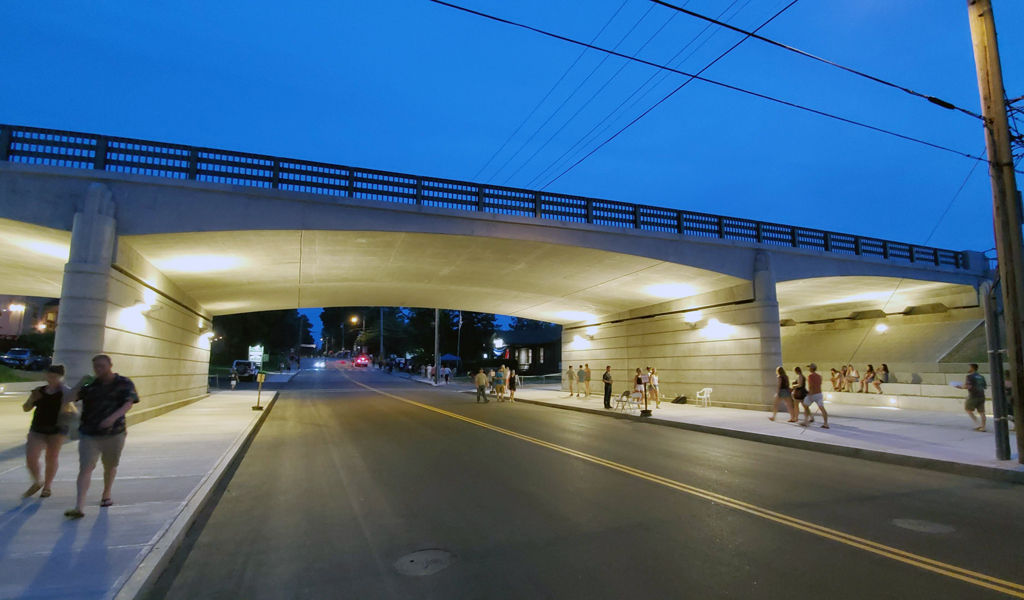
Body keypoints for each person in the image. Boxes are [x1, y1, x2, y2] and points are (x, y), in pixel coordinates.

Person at [65, 355, 139, 519]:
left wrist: (112, 418)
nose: (98, 369)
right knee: (85, 468)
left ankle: (106, 494)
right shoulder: (90, 384)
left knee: (110, 465)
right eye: (96, 367)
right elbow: (68, 399)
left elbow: (129, 402)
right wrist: (80, 382)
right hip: (89, 433)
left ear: (110, 365)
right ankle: (79, 506)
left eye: (102, 366)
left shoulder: (123, 383)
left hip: (114, 433)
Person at [22, 365, 73, 498]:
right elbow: (26, 408)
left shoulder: (65, 392)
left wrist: (67, 412)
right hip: (38, 427)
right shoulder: (39, 391)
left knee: (51, 457)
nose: (51, 379)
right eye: (49, 376)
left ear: (60, 377)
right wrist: (33, 399)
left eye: (54, 377)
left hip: (57, 429)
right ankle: (37, 480)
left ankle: (47, 486)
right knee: (31, 457)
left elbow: (73, 411)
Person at [959, 363, 987, 432]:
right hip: (981, 395)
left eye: (969, 367)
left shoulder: (970, 376)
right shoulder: (981, 377)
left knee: (968, 409)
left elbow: (968, 386)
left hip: (973, 395)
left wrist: (960, 387)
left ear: (972, 368)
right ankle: (983, 427)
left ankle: (977, 423)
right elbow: (985, 386)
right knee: (982, 412)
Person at [801, 363, 829, 428]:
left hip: (813, 394)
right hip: (819, 393)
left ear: (811, 369)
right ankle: (826, 423)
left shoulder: (810, 376)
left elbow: (811, 385)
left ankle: (805, 421)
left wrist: (810, 394)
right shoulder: (819, 376)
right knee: (822, 408)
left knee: (805, 405)